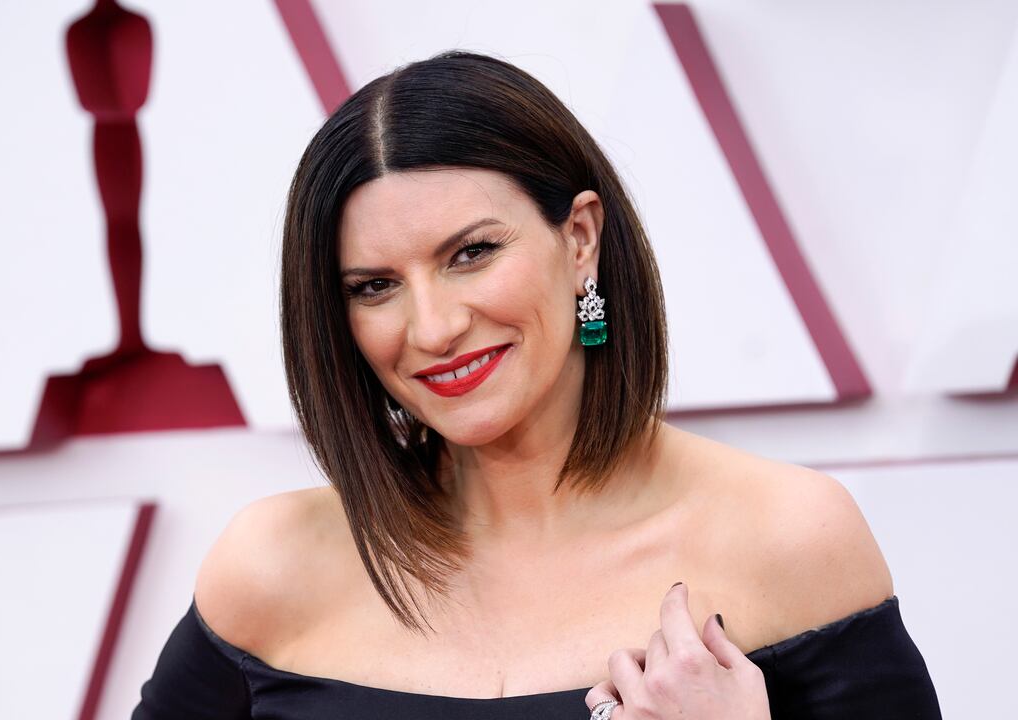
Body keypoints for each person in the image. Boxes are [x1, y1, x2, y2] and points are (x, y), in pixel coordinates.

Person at [130, 50, 942, 719]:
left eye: (472, 253)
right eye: (374, 286)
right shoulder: (269, 566)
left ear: (580, 237)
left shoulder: (789, 538)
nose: (434, 327)